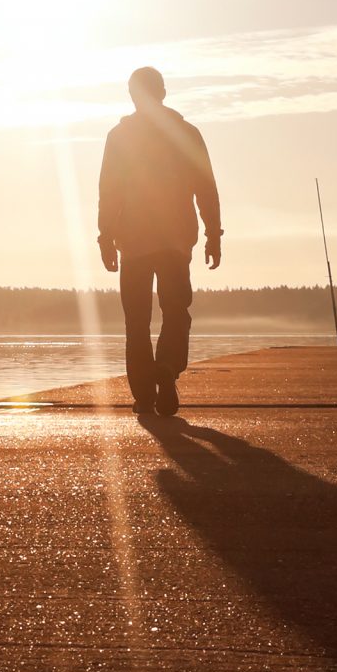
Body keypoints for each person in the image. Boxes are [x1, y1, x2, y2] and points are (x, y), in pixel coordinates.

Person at [96, 66, 222, 416]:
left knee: (136, 321)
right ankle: (166, 368)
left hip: (134, 242)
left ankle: (144, 396)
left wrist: (105, 237)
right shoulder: (186, 133)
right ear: (163, 93)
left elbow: (109, 191)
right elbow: (206, 188)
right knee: (176, 311)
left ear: (133, 96)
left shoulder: (119, 137)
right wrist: (213, 233)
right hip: (175, 240)